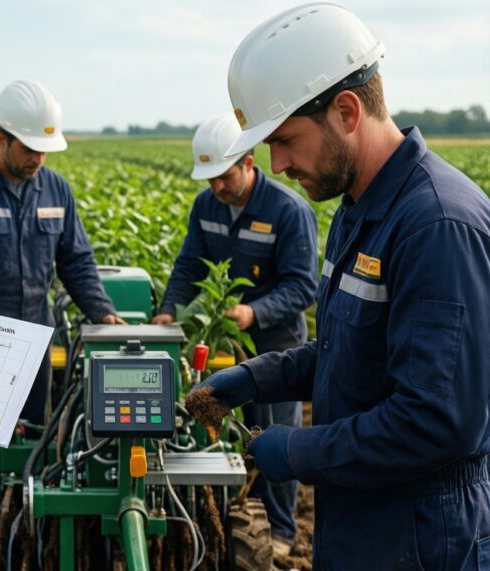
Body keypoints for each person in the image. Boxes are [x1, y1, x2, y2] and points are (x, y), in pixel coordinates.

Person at [190, 3, 490, 568]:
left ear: (347, 111)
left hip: (422, 537)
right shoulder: (357, 210)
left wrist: (299, 449)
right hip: (359, 521)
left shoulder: (436, 225)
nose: (276, 165)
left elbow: (435, 421)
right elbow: (345, 350)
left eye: (285, 139)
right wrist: (255, 378)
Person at [0, 80, 123, 509]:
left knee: (34, 438)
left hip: (36, 342)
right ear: (1, 138)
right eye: (29, 148)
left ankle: (23, 514)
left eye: (43, 149)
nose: (37, 158)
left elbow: (77, 264)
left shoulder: (56, 191)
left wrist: (104, 314)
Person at [151, 111, 317, 554]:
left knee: (275, 441)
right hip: (230, 345)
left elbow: (304, 285)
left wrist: (253, 311)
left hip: (277, 347)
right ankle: (240, 519)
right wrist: (169, 311)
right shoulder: (207, 206)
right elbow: (189, 265)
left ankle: (280, 532)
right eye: (210, 180)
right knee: (232, 435)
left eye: (223, 177)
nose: (217, 188)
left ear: (247, 163)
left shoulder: (288, 210)